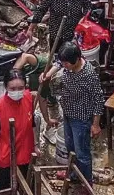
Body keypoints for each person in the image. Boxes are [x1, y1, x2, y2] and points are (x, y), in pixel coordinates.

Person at [43, 42, 104, 184]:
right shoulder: (67, 64)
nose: (65, 66)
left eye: (67, 64)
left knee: (82, 153)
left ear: (76, 59)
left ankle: (86, 183)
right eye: (64, 63)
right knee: (71, 148)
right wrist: (47, 74)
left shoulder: (89, 75)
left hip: (81, 119)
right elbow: (58, 62)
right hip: (68, 114)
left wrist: (95, 124)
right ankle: (74, 174)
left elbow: (98, 100)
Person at [0, 71, 37, 192]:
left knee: (27, 190)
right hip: (6, 157)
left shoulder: (28, 98)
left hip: (26, 153)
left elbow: (32, 125)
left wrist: (35, 146)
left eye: (20, 88)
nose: (17, 91)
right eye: (13, 88)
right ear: (6, 87)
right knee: (2, 192)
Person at [14, 51, 55, 124]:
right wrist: (14, 73)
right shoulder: (43, 64)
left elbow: (42, 100)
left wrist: (47, 120)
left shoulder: (43, 83)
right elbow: (25, 56)